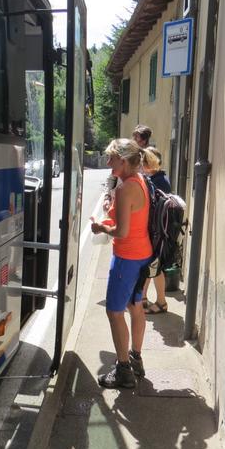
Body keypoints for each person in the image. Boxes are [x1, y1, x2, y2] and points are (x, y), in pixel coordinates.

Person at [91, 138, 159, 388]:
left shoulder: (124, 187)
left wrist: (100, 227)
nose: (108, 162)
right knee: (135, 306)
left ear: (122, 159)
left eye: (110, 158)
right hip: (143, 254)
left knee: (114, 312)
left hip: (127, 258)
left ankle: (123, 371)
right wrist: (112, 214)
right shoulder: (140, 180)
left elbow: (121, 232)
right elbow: (132, 221)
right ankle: (136, 359)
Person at [141, 147, 172, 314]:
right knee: (150, 266)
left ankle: (161, 302)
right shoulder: (158, 179)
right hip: (156, 231)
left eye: (143, 161)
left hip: (157, 233)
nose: (141, 164)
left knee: (154, 267)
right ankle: (144, 298)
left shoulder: (157, 182)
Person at [102, 124, 152, 214]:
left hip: (129, 208)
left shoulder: (147, 163)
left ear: (144, 141)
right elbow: (111, 178)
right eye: (133, 136)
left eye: (136, 137)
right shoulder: (125, 153)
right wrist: (107, 196)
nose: (133, 139)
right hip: (115, 204)